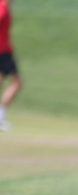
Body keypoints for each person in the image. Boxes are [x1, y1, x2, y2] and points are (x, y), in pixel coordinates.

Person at [0, 0, 21, 131]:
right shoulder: (2, 8)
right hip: (3, 52)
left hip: (4, 51)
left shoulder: (4, 7)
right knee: (17, 83)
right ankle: (0, 117)